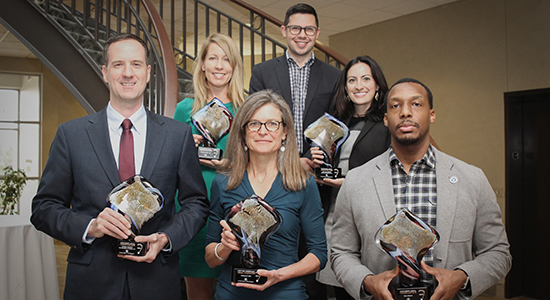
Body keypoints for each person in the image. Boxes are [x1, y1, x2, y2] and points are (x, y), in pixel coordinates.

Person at [30, 33, 210, 300]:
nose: (128, 73)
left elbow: (196, 202)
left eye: (136, 64)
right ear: (105, 72)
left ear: (148, 73)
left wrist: (166, 238)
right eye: (118, 65)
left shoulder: (177, 135)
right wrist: (90, 226)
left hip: (157, 282)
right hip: (91, 283)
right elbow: (43, 208)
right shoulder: (71, 135)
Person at [330, 78, 512, 300]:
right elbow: (341, 252)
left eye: (416, 104)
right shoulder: (356, 181)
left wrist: (462, 277)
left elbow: (498, 252)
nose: (405, 112)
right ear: (386, 119)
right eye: (395, 106)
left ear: (432, 115)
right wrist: (368, 282)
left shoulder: (472, 179)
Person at [204, 90, 327, 299]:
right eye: (254, 123)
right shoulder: (222, 183)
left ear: (285, 131)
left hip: (286, 293)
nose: (263, 131)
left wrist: (280, 275)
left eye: (272, 123)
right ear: (243, 132)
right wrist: (224, 248)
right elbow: (210, 259)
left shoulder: (303, 184)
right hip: (231, 294)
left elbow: (319, 254)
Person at [310, 56, 391, 300]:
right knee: (342, 286)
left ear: (377, 85)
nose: (359, 85)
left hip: (371, 220)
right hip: (335, 216)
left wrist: (350, 184)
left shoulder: (387, 123)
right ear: (345, 87)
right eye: (352, 80)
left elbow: (392, 173)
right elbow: (327, 167)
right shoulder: (335, 122)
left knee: (373, 288)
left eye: (366, 79)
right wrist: (318, 160)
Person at [173, 32, 246, 300]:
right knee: (198, 291)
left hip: (235, 204)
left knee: (238, 287)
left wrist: (228, 164)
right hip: (194, 208)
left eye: (226, 59)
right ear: (202, 64)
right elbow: (170, 164)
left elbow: (260, 159)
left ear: (234, 66)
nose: (219, 65)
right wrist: (184, 150)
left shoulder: (246, 109)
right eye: (213, 58)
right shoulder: (185, 110)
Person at [249, 3, 341, 159]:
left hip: (315, 165)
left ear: (317, 33)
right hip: (272, 163)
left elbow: (334, 123)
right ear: (284, 30)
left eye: (309, 29)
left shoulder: (334, 76)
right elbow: (256, 120)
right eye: (295, 28)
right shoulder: (262, 72)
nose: (302, 35)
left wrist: (309, 158)